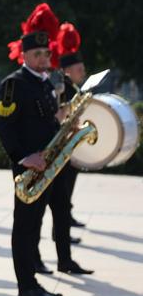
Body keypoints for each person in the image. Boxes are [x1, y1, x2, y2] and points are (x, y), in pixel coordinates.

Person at [0, 30, 92, 296]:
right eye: (36, 54)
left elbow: (45, 120)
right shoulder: (14, 84)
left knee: (43, 221)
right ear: (24, 55)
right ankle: (26, 286)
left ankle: (41, 276)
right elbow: (5, 127)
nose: (42, 58)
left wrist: (64, 127)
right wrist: (23, 157)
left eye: (46, 54)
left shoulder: (46, 83)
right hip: (30, 168)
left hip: (50, 164)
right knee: (25, 227)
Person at [56, 23, 87, 229]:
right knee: (64, 187)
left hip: (71, 142)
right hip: (63, 144)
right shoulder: (63, 88)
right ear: (67, 71)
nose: (83, 73)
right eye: (79, 70)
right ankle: (64, 220)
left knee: (69, 184)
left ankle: (67, 215)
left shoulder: (74, 88)